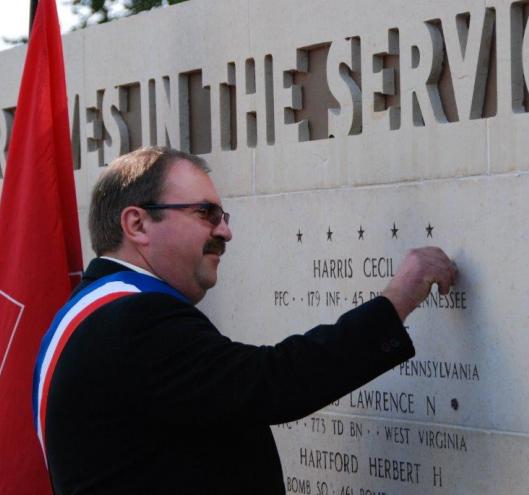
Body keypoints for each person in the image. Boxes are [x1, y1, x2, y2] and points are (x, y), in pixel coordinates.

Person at [33, 146, 457, 494]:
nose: (225, 232)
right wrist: (397, 299)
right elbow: (272, 382)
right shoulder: (132, 320)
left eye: (223, 216)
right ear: (137, 223)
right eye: (206, 214)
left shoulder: (89, 313)